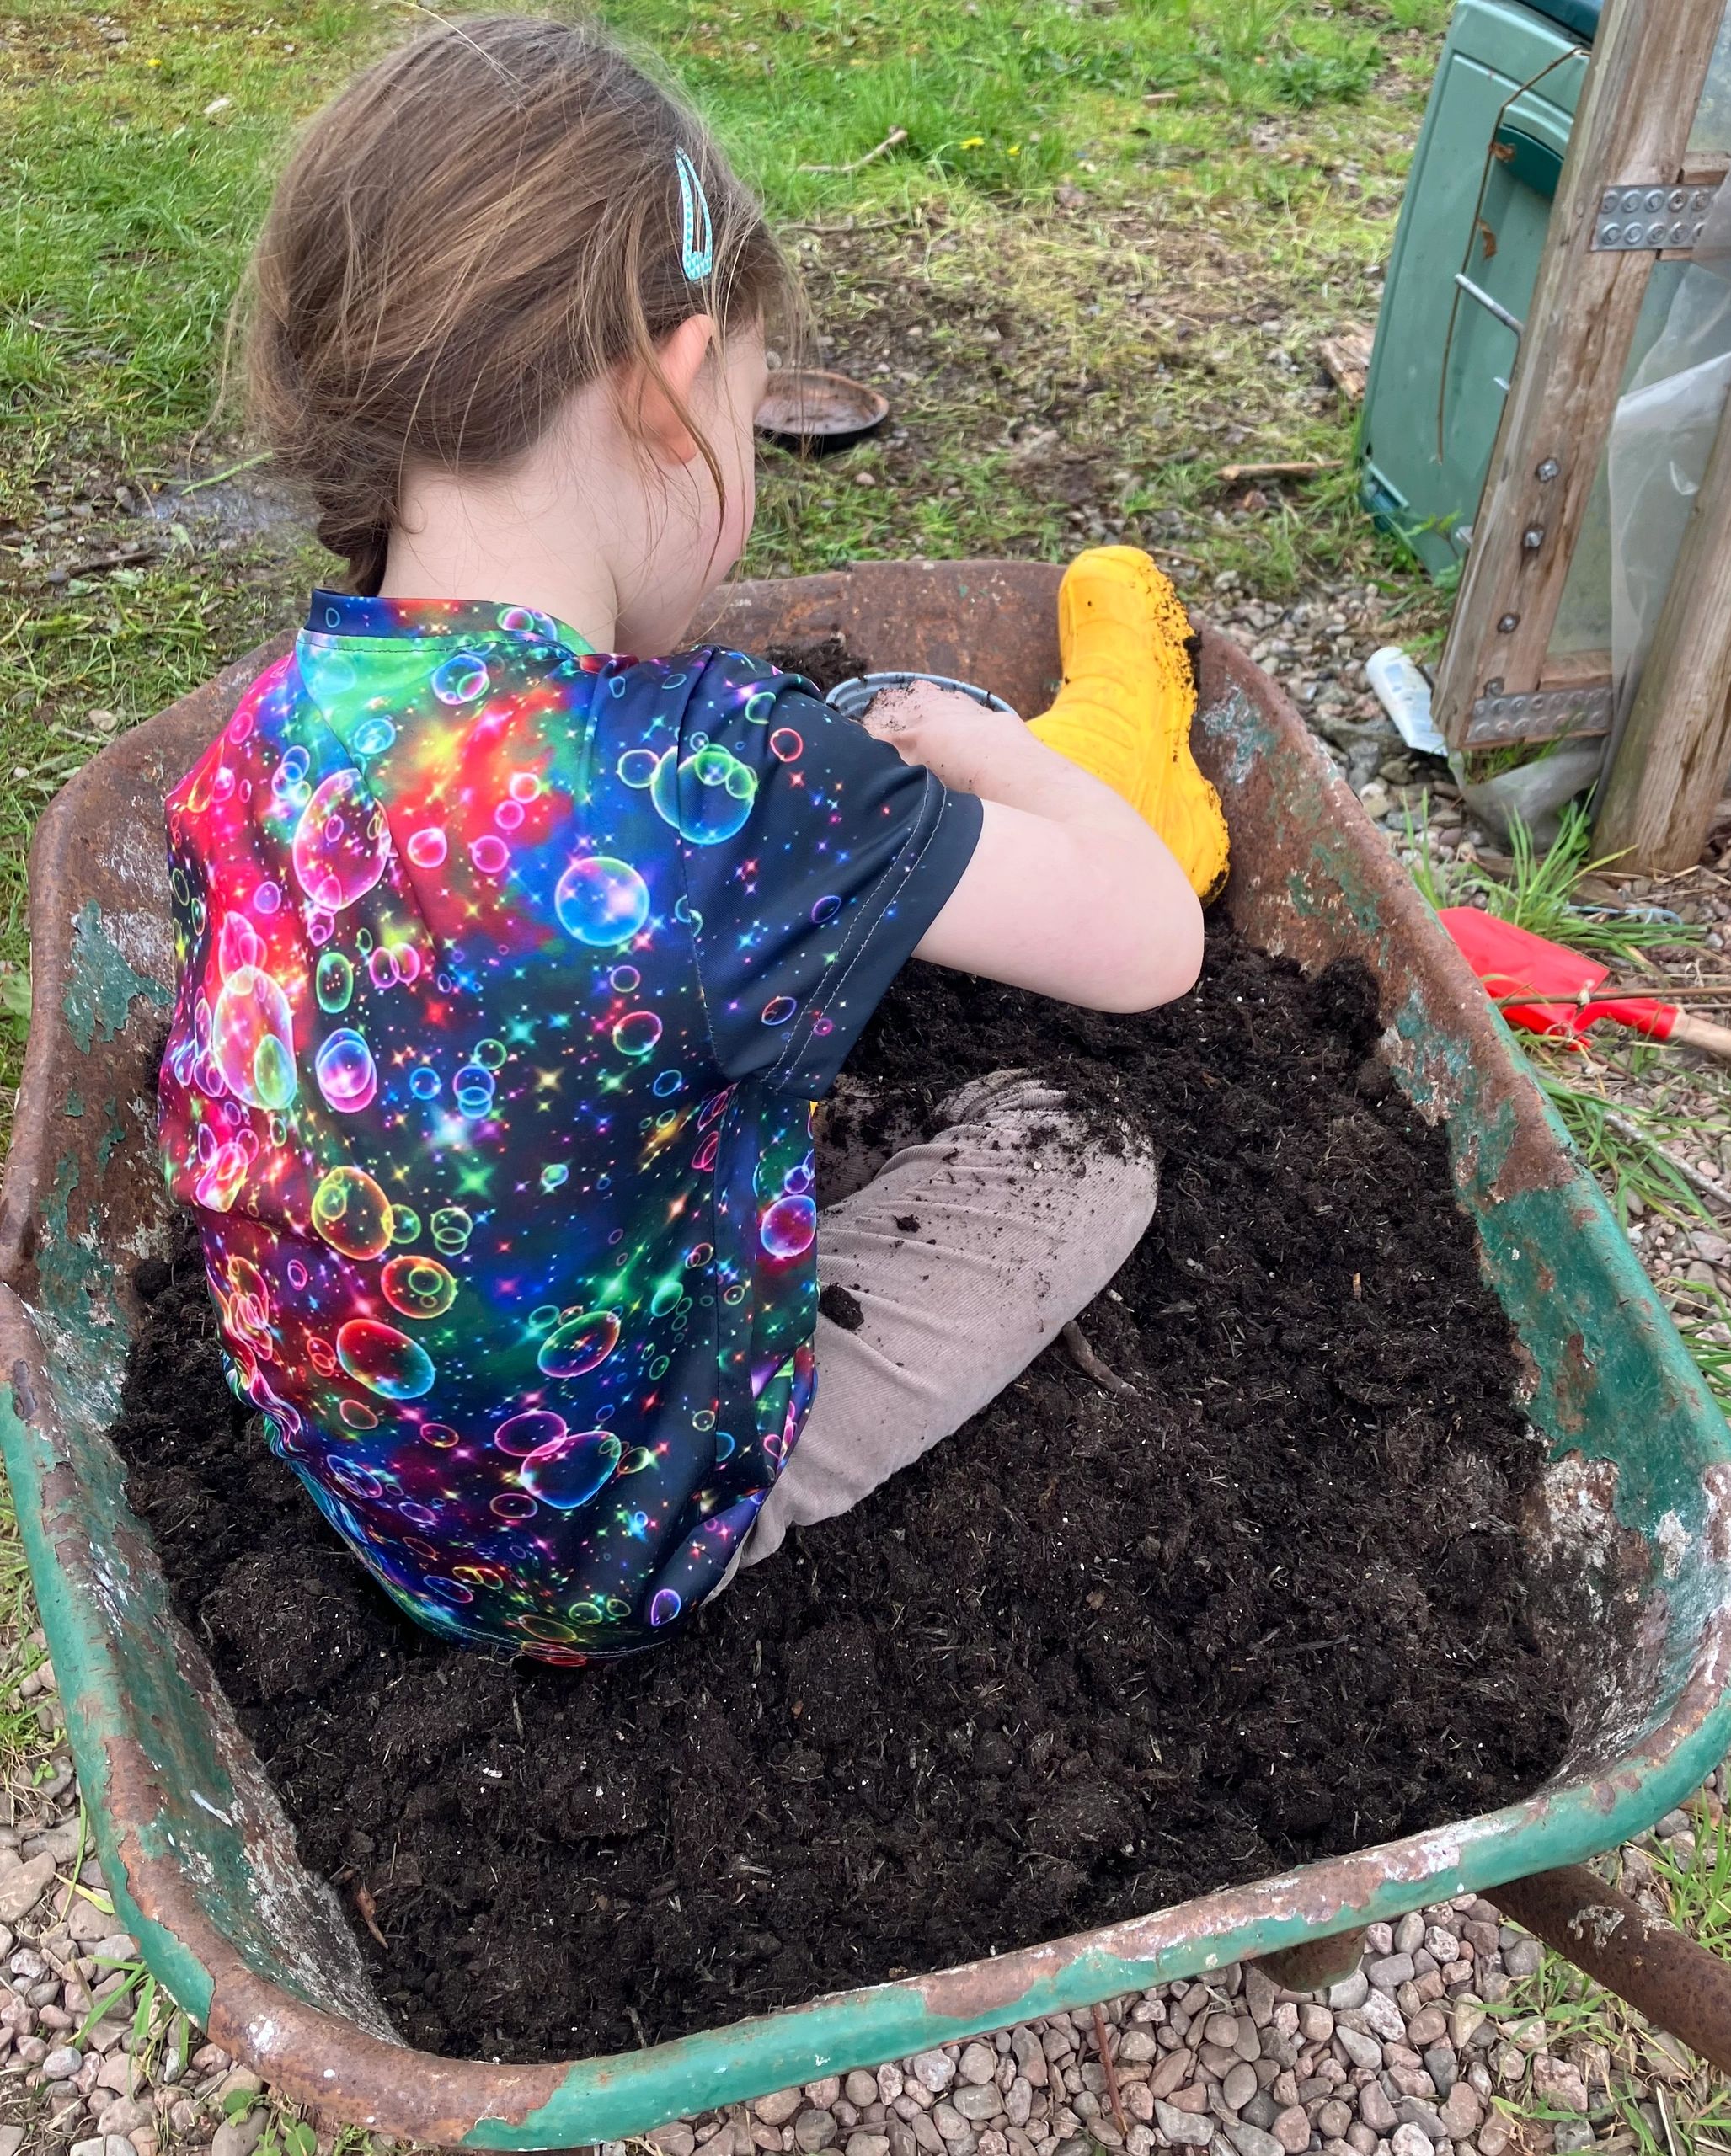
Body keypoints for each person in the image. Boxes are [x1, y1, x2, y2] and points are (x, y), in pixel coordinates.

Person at [158, 13, 1218, 1663]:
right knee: (1070, 1145)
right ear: (669, 386)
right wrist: (998, 748)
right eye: (745, 405)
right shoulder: (717, 777)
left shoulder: (259, 734)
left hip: (361, 1456)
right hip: (601, 1543)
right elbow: (1151, 942)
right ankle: (732, 1507)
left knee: (641, 1034)